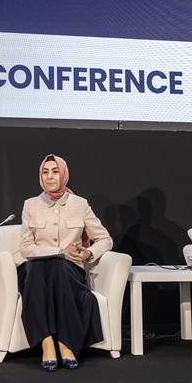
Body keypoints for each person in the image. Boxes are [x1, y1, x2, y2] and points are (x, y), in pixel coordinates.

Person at [18, 154, 112, 371]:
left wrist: (88, 253)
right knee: (36, 267)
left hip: (68, 271)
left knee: (58, 266)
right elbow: (25, 248)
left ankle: (65, 342)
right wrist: (60, 251)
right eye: (45, 172)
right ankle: (47, 343)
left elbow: (105, 239)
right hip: (35, 270)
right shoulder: (30, 205)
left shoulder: (80, 204)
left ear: (63, 175)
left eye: (55, 171)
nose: (50, 176)